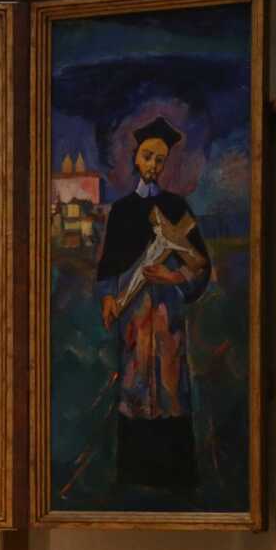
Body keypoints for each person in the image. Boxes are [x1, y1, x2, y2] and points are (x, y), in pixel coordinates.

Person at [93, 116, 212, 495]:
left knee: (171, 387)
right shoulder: (122, 210)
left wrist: (173, 277)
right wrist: (109, 297)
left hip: (167, 316)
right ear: (136, 158)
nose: (153, 165)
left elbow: (200, 264)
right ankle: (135, 476)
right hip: (133, 316)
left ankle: (176, 476)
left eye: (160, 160)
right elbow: (108, 265)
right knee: (135, 387)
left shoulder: (177, 208)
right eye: (147, 156)